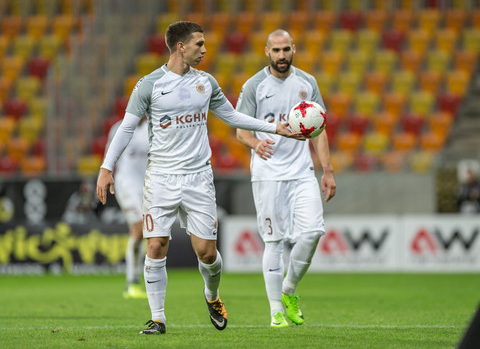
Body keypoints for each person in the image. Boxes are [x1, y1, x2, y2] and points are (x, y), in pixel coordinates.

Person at [96, 21, 305, 335]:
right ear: (181, 46)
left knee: (207, 253)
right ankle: (158, 318)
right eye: (199, 44)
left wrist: (273, 127)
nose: (205, 50)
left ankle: (212, 295)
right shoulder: (149, 85)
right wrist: (106, 167)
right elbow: (126, 127)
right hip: (161, 178)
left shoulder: (206, 83)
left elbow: (232, 116)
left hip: (198, 178)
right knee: (155, 246)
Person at [236, 29, 337, 328]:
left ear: (294, 48)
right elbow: (240, 129)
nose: (281, 56)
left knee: (313, 232)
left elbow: (318, 128)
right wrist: (256, 144)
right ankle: (275, 311)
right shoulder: (254, 85)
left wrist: (327, 170)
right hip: (267, 174)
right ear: (266, 51)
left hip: (302, 172)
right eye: (276, 50)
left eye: (286, 50)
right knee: (274, 241)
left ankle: (288, 289)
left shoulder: (307, 83)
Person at [107, 117, 149, 299]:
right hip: (127, 186)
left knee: (148, 232)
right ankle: (132, 282)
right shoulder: (120, 128)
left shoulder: (153, 127)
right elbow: (109, 156)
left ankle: (141, 278)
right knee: (139, 229)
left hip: (148, 185)